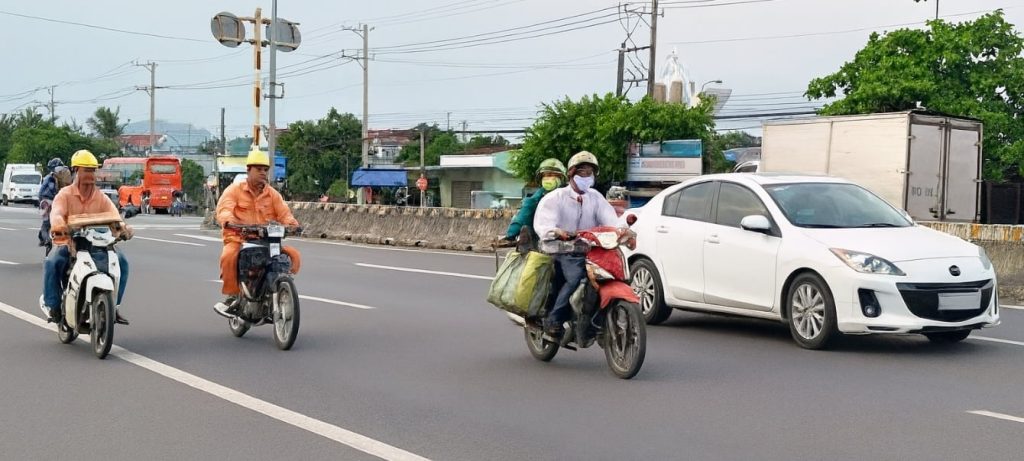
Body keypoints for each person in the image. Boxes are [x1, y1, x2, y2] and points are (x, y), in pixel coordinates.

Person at [532, 151, 621, 336]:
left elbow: (611, 221)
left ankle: (592, 317)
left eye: (590, 172)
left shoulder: (595, 197)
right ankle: (554, 320)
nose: (586, 177)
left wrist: (621, 231)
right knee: (577, 279)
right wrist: (556, 232)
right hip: (561, 250)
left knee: (611, 275)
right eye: (582, 172)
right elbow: (543, 225)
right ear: (572, 173)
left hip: (590, 250)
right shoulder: (556, 198)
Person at [41, 150, 134, 324]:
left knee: (122, 263)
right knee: (52, 262)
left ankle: (114, 306)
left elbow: (115, 218)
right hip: (70, 241)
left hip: (97, 244)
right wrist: (60, 226)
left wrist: (123, 229)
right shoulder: (64, 195)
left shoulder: (102, 198)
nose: (91, 175)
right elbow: (57, 213)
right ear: (76, 170)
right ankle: (52, 305)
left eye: (93, 170)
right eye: (87, 170)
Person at [214, 149, 302, 315]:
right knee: (228, 255)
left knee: (293, 255)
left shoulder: (273, 195)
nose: (263, 173)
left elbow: (285, 214)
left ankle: (277, 287)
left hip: (266, 240)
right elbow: (224, 209)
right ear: (248, 170)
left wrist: (293, 225)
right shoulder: (234, 190)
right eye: (259, 169)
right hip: (239, 238)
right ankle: (232, 297)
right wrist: (228, 221)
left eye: (265, 170)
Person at [504, 158, 567, 246]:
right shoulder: (536, 198)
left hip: (569, 238)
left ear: (561, 178)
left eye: (553, 175)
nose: (549, 178)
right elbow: (523, 216)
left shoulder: (569, 195)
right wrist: (510, 235)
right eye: (546, 175)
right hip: (543, 242)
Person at [37, 158, 67, 246]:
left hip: (46, 202)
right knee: (48, 223)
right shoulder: (53, 179)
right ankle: (44, 238)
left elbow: (41, 191)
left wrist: (40, 202)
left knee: (46, 223)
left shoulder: (51, 178)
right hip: (49, 202)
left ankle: (46, 239)